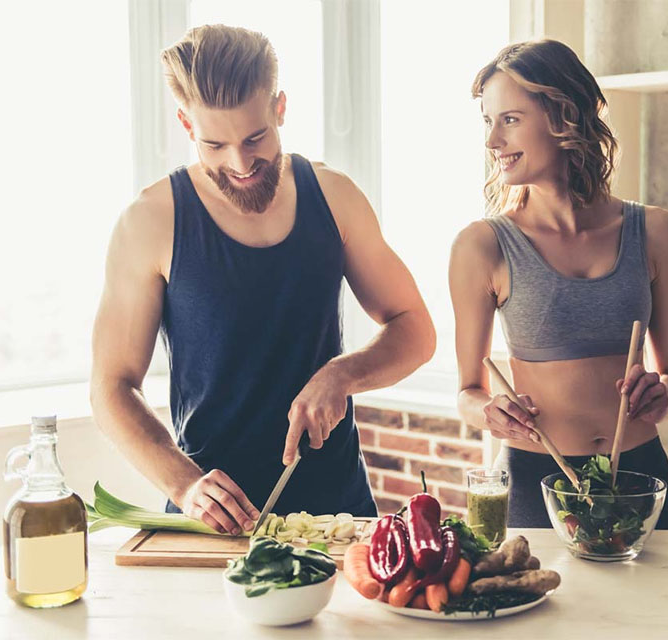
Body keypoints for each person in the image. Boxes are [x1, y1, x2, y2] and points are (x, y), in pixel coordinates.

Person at [90, 25, 435, 535]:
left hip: (340, 516)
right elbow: (111, 388)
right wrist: (184, 485)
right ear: (187, 125)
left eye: (255, 138)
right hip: (215, 522)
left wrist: (342, 374)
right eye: (215, 145)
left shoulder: (335, 197)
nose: (241, 163)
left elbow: (415, 329)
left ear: (280, 108)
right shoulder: (149, 221)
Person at [449, 39, 668, 529]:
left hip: (640, 476)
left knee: (650, 609)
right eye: (487, 122)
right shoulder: (482, 246)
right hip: (537, 480)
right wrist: (490, 412)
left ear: (564, 117)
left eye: (509, 119)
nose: (492, 141)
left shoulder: (656, 231)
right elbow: (468, 392)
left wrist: (662, 394)